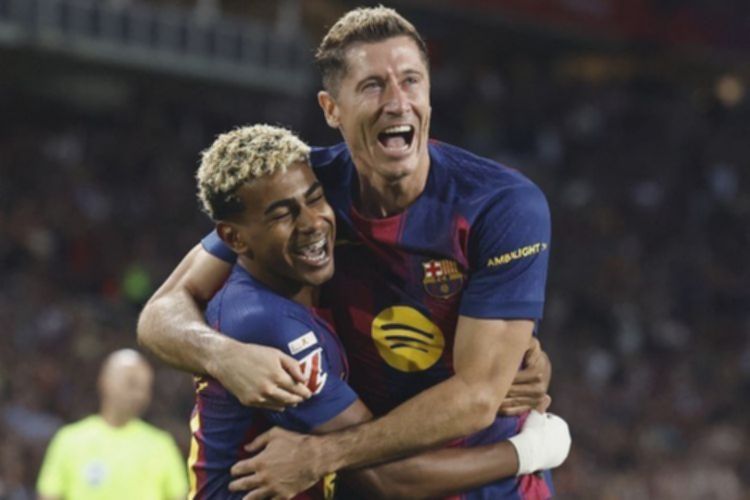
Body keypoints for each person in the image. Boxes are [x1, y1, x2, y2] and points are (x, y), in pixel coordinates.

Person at [138, 6, 559, 498]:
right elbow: (161, 312)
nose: (397, 102)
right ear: (331, 109)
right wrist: (224, 356)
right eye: (373, 86)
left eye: (411, 81)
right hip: (373, 471)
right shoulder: (307, 191)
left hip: (485, 482)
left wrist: (324, 455)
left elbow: (478, 397)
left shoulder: (501, 205)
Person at [188, 123, 569, 499]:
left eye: (315, 199)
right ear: (234, 238)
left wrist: (510, 360)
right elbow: (388, 479)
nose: (312, 222)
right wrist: (534, 449)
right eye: (281, 215)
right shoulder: (267, 325)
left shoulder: (301, 284)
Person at [36, 349, 188, 500]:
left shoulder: (161, 445)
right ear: (105, 381)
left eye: (145, 387)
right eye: (132, 383)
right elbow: (49, 495)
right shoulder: (69, 440)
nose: (139, 394)